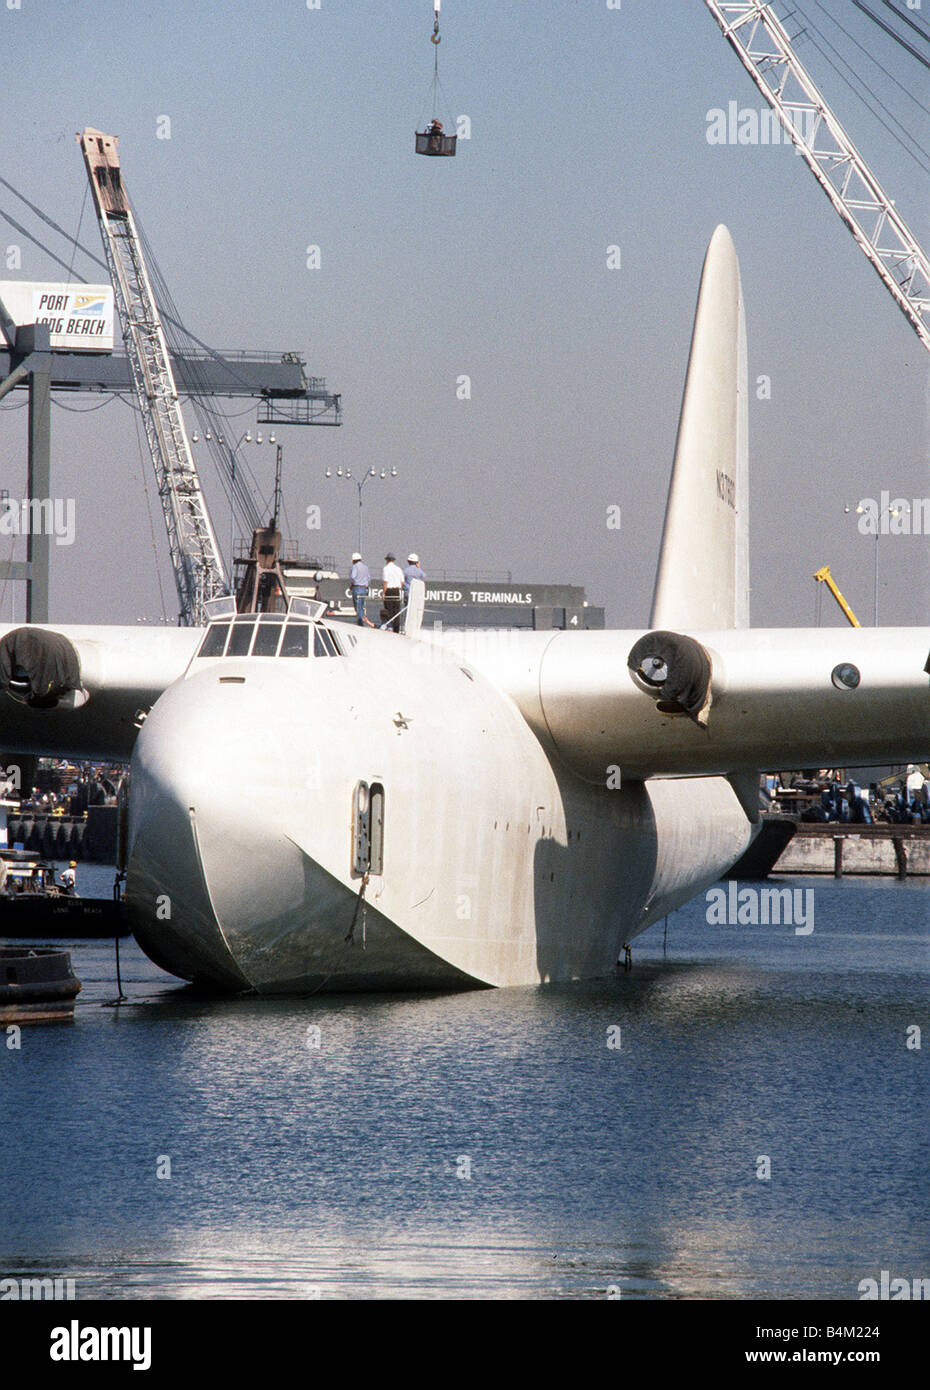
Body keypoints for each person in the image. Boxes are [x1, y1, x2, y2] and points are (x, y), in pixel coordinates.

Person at [382, 552, 404, 632]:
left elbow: (385, 582)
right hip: (397, 591)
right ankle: (396, 629)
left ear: (387, 560)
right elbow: (402, 582)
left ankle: (389, 628)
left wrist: (384, 593)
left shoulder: (386, 568)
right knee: (396, 611)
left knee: (388, 611)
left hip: (389, 591)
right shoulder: (398, 569)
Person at [349, 552, 370, 626]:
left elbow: (353, 577)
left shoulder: (355, 567)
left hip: (357, 588)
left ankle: (360, 623)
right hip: (364, 588)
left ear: (354, 560)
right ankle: (362, 621)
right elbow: (368, 579)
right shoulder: (366, 567)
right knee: (361, 606)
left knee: (358, 607)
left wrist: (351, 585)